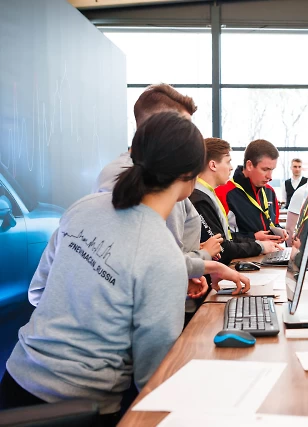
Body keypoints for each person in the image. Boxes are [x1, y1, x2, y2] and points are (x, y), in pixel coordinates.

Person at [0, 112, 250, 424]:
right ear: (189, 174)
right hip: (80, 409)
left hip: (14, 385)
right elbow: (152, 378)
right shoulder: (161, 252)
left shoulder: (84, 207)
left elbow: (39, 291)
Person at [93, 83, 222, 290]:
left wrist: (195, 266)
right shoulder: (141, 179)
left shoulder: (168, 177)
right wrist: (201, 258)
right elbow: (154, 261)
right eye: (180, 127)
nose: (187, 137)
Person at [190, 138, 282, 267]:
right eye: (228, 162)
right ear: (213, 165)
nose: (231, 167)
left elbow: (226, 239)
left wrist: (257, 240)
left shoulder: (208, 194)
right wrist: (259, 246)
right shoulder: (200, 199)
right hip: (207, 272)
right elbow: (222, 248)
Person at [216, 139, 287, 242]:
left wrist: (279, 232)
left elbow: (273, 224)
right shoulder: (223, 193)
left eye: (272, 170)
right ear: (249, 165)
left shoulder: (269, 191)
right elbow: (219, 238)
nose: (270, 177)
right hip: (242, 253)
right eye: (265, 169)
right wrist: (253, 238)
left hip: (272, 251)